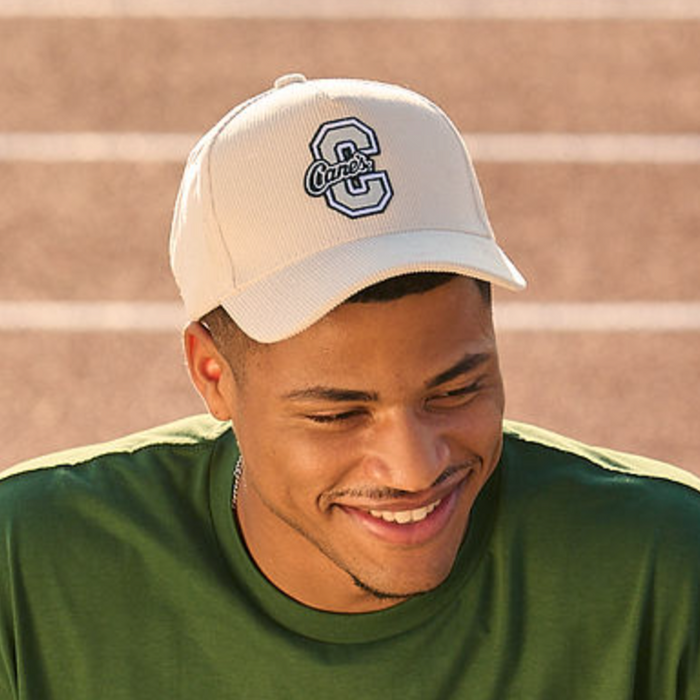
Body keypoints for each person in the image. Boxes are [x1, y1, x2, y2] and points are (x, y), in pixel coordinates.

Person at [1, 74, 698, 700]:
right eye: (338, 413)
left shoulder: (668, 568)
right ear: (212, 375)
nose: (414, 467)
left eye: (456, 391)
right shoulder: (24, 571)